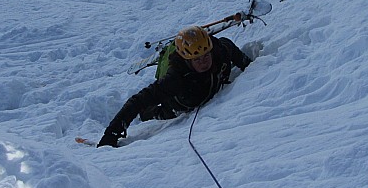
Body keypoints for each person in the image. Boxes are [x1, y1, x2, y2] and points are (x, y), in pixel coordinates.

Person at [98, 25, 252, 147]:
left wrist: (247, 64)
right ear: (187, 60)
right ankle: (147, 114)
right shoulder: (176, 79)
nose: (204, 62)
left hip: (203, 90)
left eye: (206, 56)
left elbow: (232, 49)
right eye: (197, 59)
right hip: (177, 105)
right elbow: (138, 100)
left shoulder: (219, 50)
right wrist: (111, 133)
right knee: (158, 113)